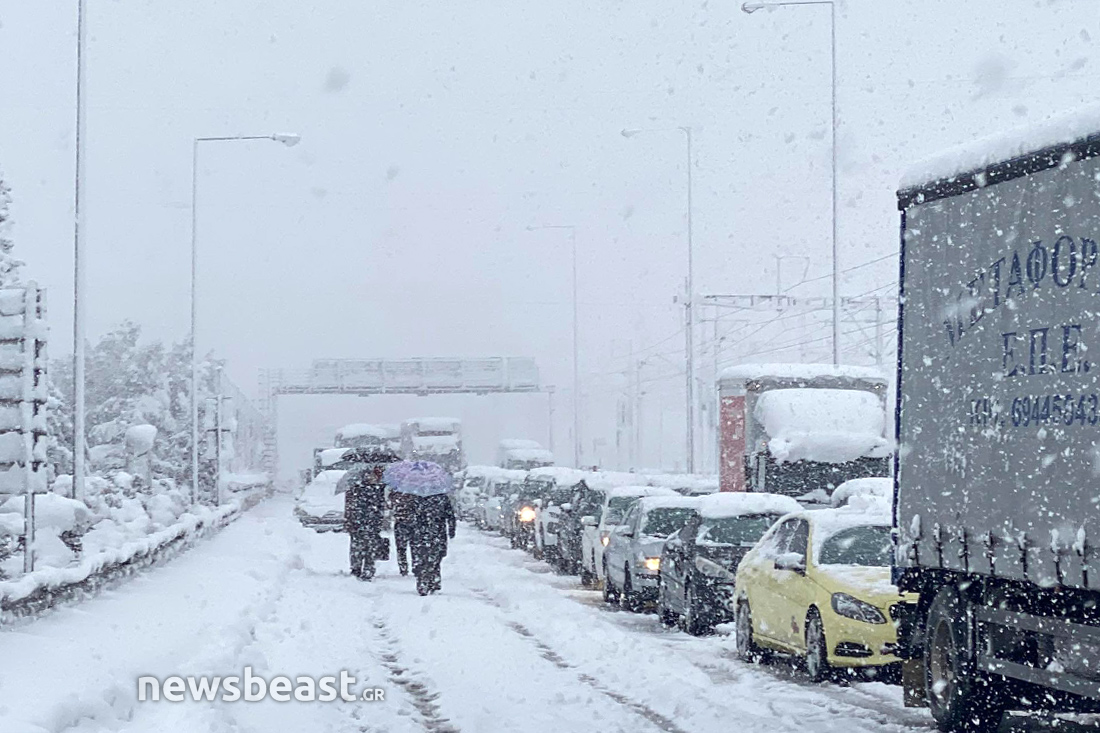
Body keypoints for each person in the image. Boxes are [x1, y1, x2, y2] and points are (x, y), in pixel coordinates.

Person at [339, 449, 397, 580]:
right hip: (367, 518)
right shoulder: (377, 483)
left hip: (363, 518)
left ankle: (361, 567)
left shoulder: (354, 481)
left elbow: (350, 502)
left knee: (361, 543)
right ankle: (364, 567)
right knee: (366, 542)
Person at [408, 490, 456, 595]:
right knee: (428, 556)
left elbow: (450, 515)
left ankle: (431, 577)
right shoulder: (419, 498)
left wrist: (451, 528)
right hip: (429, 532)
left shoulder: (439, 498)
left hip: (430, 532)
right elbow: (450, 515)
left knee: (434, 556)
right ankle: (427, 579)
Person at [390, 489, 415, 576]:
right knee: (408, 547)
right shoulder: (415, 492)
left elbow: (392, 505)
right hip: (406, 522)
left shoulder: (396, 492)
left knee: (404, 548)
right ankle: (407, 566)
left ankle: (405, 567)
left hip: (404, 522)